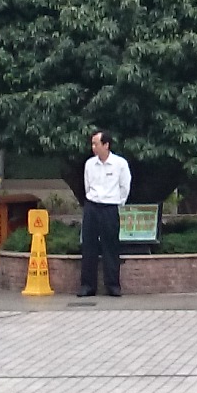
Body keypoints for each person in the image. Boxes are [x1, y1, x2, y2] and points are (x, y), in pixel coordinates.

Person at [78, 129, 132, 301]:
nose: (93, 147)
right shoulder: (89, 164)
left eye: (96, 144)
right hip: (92, 206)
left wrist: (116, 202)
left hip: (110, 207)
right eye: (92, 144)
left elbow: (125, 187)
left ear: (106, 145)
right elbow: (87, 186)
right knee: (89, 246)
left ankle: (113, 286)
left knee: (111, 246)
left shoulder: (119, 164)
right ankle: (87, 286)